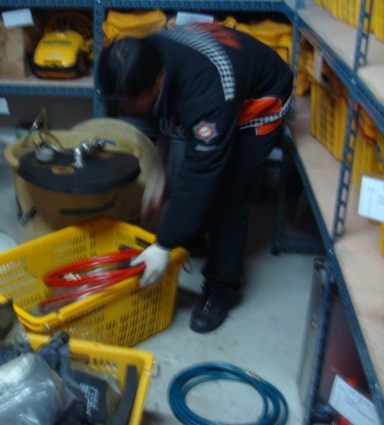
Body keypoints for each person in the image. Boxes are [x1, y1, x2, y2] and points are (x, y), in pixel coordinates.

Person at [96, 22, 294, 333]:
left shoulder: (206, 89)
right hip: (223, 82)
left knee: (229, 192)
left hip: (259, 104)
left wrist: (164, 245)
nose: (128, 108)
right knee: (194, 177)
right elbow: (158, 119)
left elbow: (203, 170)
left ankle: (222, 288)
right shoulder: (143, 57)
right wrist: (159, 175)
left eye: (133, 100)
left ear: (159, 80)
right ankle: (192, 234)